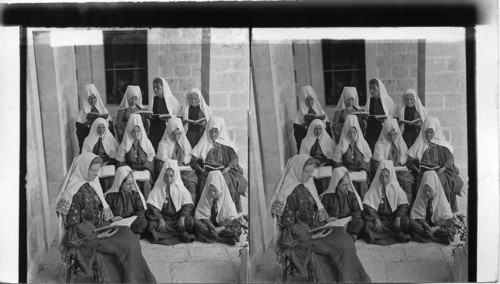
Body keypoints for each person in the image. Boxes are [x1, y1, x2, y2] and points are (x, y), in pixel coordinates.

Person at [55, 153, 156, 283]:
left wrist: (112, 220)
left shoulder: (91, 184)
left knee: (129, 236)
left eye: (97, 170)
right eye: (93, 170)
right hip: (83, 237)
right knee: (126, 244)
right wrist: (97, 235)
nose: (96, 174)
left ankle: (137, 278)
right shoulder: (73, 193)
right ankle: (130, 279)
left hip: (99, 227)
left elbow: (98, 209)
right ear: (83, 168)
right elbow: (73, 223)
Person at [270, 154, 371, 283]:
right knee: (340, 245)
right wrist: (311, 236)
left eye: (312, 171)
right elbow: (287, 225)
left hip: (313, 228)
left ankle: (350, 277)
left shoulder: (306, 185)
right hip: (298, 238)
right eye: (307, 171)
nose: (310, 175)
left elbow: (313, 210)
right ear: (297, 170)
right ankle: (348, 278)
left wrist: (327, 220)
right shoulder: (287, 194)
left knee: (344, 237)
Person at [406, 117, 464, 212]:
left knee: (443, 185)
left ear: (436, 132)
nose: (429, 135)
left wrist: (444, 168)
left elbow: (450, 158)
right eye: (427, 132)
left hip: (438, 172)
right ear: (423, 132)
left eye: (431, 132)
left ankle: (442, 211)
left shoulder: (442, 144)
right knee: (420, 185)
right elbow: (410, 160)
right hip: (422, 172)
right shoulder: (419, 143)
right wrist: (416, 169)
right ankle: (422, 212)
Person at [191, 117, 247, 212]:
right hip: (206, 173)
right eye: (211, 132)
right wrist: (202, 171)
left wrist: (228, 168)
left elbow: (234, 158)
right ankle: (207, 213)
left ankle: (226, 213)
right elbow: (194, 161)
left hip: (223, 172)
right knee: (203, 184)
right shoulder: (203, 143)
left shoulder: (226, 144)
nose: (213, 134)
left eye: (216, 132)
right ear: (208, 131)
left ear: (220, 132)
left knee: (228, 185)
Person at [145, 160, 195, 245]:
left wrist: (182, 218)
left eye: (171, 176)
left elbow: (188, 205)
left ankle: (162, 234)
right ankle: (180, 234)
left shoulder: (180, 188)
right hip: (164, 219)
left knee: (189, 221)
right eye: (166, 176)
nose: (168, 179)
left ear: (175, 176)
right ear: (162, 175)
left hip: (177, 219)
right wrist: (160, 219)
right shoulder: (158, 188)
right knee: (151, 224)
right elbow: (152, 206)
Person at [362, 160, 411, 246]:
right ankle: (397, 234)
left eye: (386, 176)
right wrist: (376, 219)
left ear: (390, 176)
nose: (384, 179)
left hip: (393, 218)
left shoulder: (396, 188)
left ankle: (380, 235)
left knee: (406, 222)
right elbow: (368, 206)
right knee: (367, 225)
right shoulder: (374, 188)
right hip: (380, 219)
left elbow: (404, 205)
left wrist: (398, 218)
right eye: (381, 176)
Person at [193, 170, 242, 245]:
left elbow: (232, 218)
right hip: (211, 225)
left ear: (220, 188)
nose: (212, 193)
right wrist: (209, 224)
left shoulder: (226, 198)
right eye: (210, 190)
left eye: (215, 191)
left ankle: (212, 237)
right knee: (197, 224)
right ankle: (221, 239)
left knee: (236, 227)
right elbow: (201, 214)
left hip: (222, 225)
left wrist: (221, 228)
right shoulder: (206, 196)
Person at [156, 117, 198, 202]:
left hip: (183, 171)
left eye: (178, 134)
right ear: (169, 133)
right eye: (173, 134)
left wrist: (186, 166)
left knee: (191, 183)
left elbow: (188, 160)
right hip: (169, 172)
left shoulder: (184, 142)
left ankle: (190, 207)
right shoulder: (163, 144)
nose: (176, 137)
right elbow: (161, 163)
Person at [372, 118, 414, 203]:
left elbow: (405, 160)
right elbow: (377, 164)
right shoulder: (380, 145)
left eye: (395, 134)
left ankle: (405, 206)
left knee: (407, 183)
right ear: (385, 133)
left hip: (400, 172)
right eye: (389, 135)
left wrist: (404, 166)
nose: (392, 137)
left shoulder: (400, 143)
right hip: (386, 173)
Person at [410, 171, 457, 244]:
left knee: (451, 226)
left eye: (429, 191)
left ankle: (429, 236)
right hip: (427, 226)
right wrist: (424, 223)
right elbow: (416, 214)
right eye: (425, 190)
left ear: (435, 188)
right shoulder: (421, 196)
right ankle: (437, 238)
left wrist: (435, 228)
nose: (427, 193)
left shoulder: (441, 198)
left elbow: (447, 218)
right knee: (413, 224)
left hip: (437, 226)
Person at [332, 114, 372, 200]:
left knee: (362, 184)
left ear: (357, 132)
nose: (352, 135)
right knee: (347, 184)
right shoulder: (341, 145)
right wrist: (346, 171)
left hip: (361, 171)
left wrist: (363, 169)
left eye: (354, 132)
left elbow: (367, 160)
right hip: (347, 171)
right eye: (349, 132)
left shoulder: (363, 143)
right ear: (346, 132)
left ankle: (363, 206)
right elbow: (337, 162)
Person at [116, 113, 155, 199]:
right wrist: (129, 170)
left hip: (144, 170)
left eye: (138, 131)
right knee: (132, 184)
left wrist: (147, 169)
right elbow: (120, 162)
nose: (135, 134)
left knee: (146, 184)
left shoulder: (146, 143)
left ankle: (146, 206)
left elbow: (151, 158)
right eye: (133, 131)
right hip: (130, 171)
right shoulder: (124, 144)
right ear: (129, 130)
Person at [319, 167, 364, 241]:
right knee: (321, 225)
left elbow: (357, 211)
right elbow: (321, 211)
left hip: (347, 223)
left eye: (348, 184)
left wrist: (349, 219)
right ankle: (347, 235)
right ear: (337, 184)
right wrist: (327, 219)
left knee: (359, 222)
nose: (347, 187)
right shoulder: (327, 196)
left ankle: (343, 235)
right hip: (333, 223)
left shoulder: (351, 195)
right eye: (344, 185)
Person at [104, 166, 148, 237]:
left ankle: (126, 233)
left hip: (131, 223)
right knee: (105, 225)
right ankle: (130, 234)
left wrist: (132, 219)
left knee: (143, 222)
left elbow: (140, 210)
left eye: (132, 183)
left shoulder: (134, 194)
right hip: (117, 222)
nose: (131, 187)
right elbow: (105, 210)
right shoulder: (111, 195)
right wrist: (112, 218)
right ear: (120, 184)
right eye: (128, 184)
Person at [299, 119, 336, 195]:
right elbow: (302, 157)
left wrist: (325, 163)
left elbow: (333, 156)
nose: (318, 131)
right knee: (311, 179)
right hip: (311, 165)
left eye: (320, 129)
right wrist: (311, 163)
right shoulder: (305, 141)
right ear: (312, 129)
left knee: (326, 179)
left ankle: (325, 198)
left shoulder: (328, 140)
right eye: (315, 129)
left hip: (325, 164)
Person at [81, 118, 119, 192]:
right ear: (94, 128)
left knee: (108, 179)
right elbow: (85, 156)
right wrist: (95, 164)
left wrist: (106, 162)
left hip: (107, 164)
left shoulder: (110, 139)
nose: (101, 130)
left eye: (103, 127)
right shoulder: (88, 140)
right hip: (93, 165)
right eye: (98, 128)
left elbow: (115, 155)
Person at [75, 84, 114, 152]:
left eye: (94, 98)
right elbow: (80, 135)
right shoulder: (82, 115)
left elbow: (111, 130)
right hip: (91, 145)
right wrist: (87, 124)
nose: (92, 101)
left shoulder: (102, 110)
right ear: (86, 99)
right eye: (90, 98)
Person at [293, 85, 332, 152]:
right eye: (307, 100)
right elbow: (298, 134)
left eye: (311, 99)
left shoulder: (319, 111)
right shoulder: (300, 116)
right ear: (303, 101)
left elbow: (328, 129)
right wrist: (304, 125)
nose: (310, 102)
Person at [363, 79, 397, 152]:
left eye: (374, 88)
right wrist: (366, 117)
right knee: (370, 149)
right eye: (370, 88)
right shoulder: (369, 100)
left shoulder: (388, 100)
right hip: (371, 130)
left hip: (382, 129)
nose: (371, 91)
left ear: (379, 88)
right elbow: (366, 113)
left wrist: (386, 118)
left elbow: (393, 115)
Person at [148, 78, 181, 151]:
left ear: (163, 87)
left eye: (157, 87)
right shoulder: (153, 99)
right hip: (154, 128)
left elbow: (177, 115)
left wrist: (170, 118)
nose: (155, 90)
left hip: (166, 128)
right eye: (154, 87)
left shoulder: (171, 100)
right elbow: (150, 112)